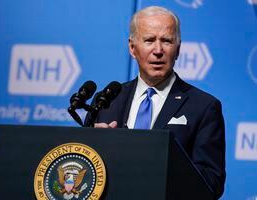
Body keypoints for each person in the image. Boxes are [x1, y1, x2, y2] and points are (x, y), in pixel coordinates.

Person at [85, 6, 225, 198]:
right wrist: (100, 147)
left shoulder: (204, 107)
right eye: (149, 40)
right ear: (132, 48)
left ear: (178, 49)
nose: (158, 50)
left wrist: (162, 163)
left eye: (166, 41)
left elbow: (212, 183)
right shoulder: (107, 100)